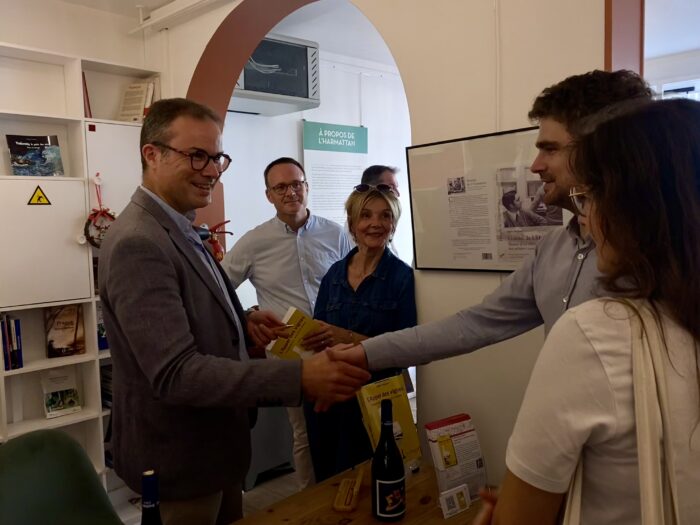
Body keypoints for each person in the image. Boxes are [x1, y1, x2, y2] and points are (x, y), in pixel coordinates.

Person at [98, 98, 369, 525]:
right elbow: (175, 373)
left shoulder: (179, 225)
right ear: (152, 155)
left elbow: (188, 310)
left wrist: (241, 322)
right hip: (182, 456)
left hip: (216, 448)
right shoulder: (139, 241)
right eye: (197, 156)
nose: (212, 170)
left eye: (217, 157)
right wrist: (300, 376)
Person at [327, 69, 653, 383]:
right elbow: (475, 324)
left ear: (599, 150)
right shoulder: (552, 249)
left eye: (550, 149)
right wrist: (366, 353)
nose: (536, 166)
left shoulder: (657, 249)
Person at [476, 98, 700, 524]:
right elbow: (480, 321)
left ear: (638, 206)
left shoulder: (595, 329)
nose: (589, 215)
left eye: (593, 195)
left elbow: (518, 517)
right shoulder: (553, 251)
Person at [221, 156, 352, 489]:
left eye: (296, 184)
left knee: (345, 421)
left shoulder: (335, 234)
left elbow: (355, 281)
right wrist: (248, 316)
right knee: (304, 431)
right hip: (289, 351)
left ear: (307, 187)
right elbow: (219, 289)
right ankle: (313, 500)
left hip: (333, 342)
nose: (290, 192)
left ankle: (347, 489)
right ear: (269, 195)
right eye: (281, 187)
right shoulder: (254, 241)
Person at [303, 185, 416, 481]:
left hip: (376, 399)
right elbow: (319, 334)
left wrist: (345, 337)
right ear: (352, 225)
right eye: (365, 215)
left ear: (394, 225)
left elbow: (407, 349)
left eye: (385, 216)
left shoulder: (403, 279)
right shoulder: (334, 275)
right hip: (331, 395)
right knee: (329, 479)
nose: (375, 223)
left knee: (374, 479)